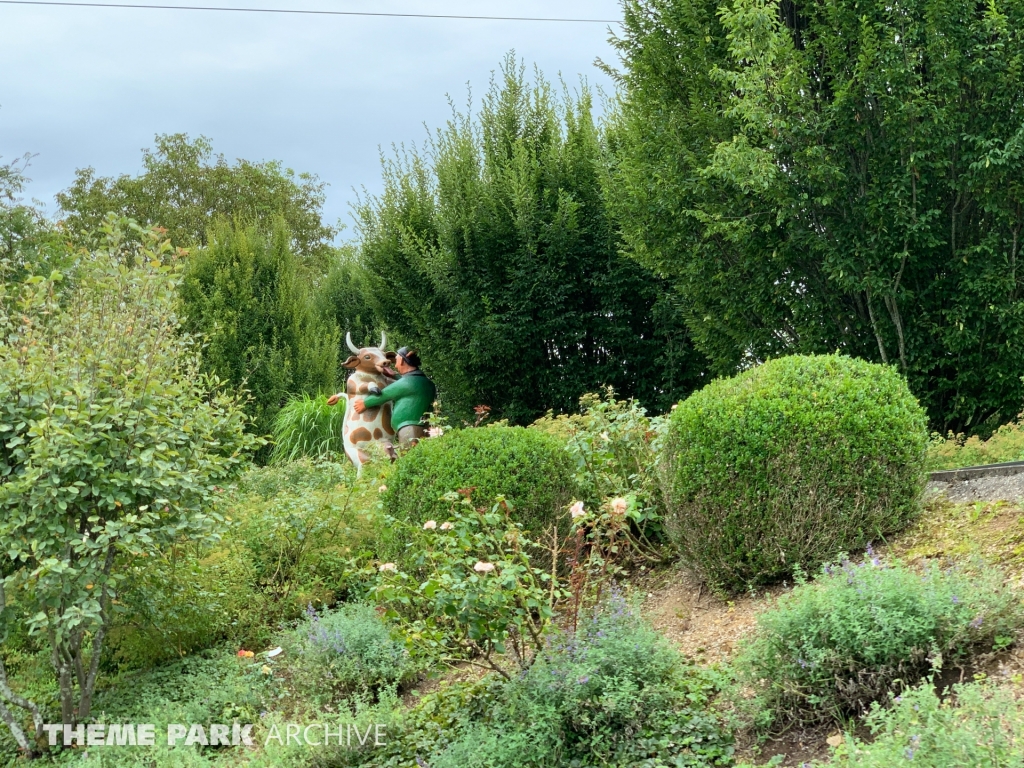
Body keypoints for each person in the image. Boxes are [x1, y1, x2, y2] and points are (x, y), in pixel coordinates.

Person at [352, 346, 436, 448]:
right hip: (425, 426)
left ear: (402, 361)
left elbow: (384, 395)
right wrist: (393, 375)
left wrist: (365, 403)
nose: (395, 365)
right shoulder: (425, 382)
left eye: (396, 361)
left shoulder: (406, 383)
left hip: (409, 428)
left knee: (408, 456)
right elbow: (409, 380)